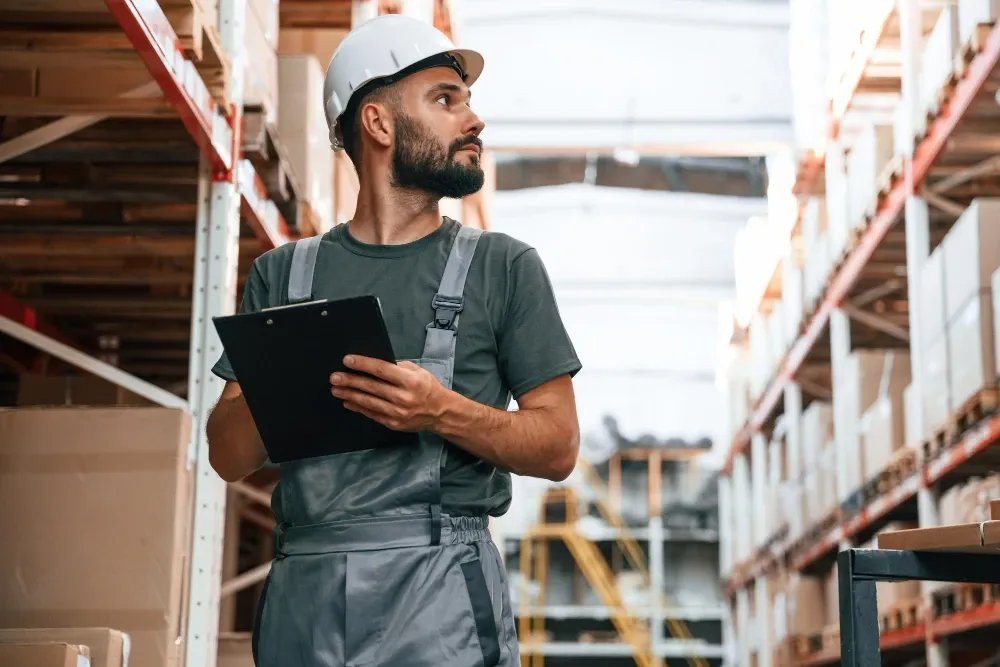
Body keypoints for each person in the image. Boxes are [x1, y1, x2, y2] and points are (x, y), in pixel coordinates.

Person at [205, 13, 582, 667]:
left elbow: (558, 445)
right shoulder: (283, 275)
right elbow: (225, 453)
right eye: (445, 99)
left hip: (441, 603)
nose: (475, 121)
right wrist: (295, 390)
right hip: (305, 596)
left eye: (468, 101)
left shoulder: (503, 267)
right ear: (377, 123)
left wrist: (440, 410)